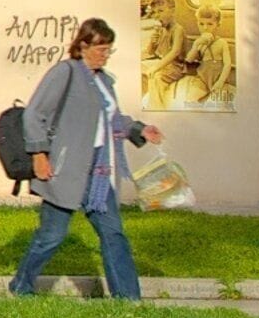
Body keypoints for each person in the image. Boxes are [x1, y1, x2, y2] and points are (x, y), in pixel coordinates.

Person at [11, 18, 157, 300]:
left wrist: (139, 130)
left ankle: (128, 299)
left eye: (109, 50)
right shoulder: (65, 73)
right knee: (51, 237)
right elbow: (34, 114)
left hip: (98, 174)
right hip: (64, 170)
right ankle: (21, 285)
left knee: (114, 235)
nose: (105, 55)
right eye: (101, 49)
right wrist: (39, 155)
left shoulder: (103, 81)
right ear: (83, 46)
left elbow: (112, 119)